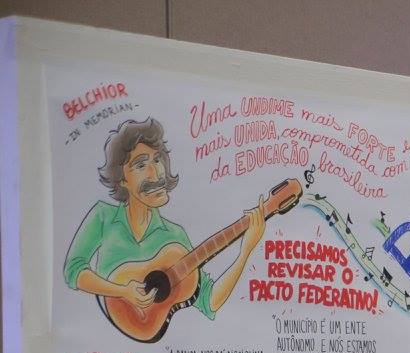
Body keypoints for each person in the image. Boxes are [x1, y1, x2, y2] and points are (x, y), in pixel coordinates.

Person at [64, 117, 265, 327]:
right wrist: (122, 291)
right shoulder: (103, 216)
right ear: (122, 179)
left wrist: (245, 252)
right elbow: (73, 270)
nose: (156, 173)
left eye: (158, 160)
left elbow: (209, 302)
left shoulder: (174, 238)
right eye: (141, 164)